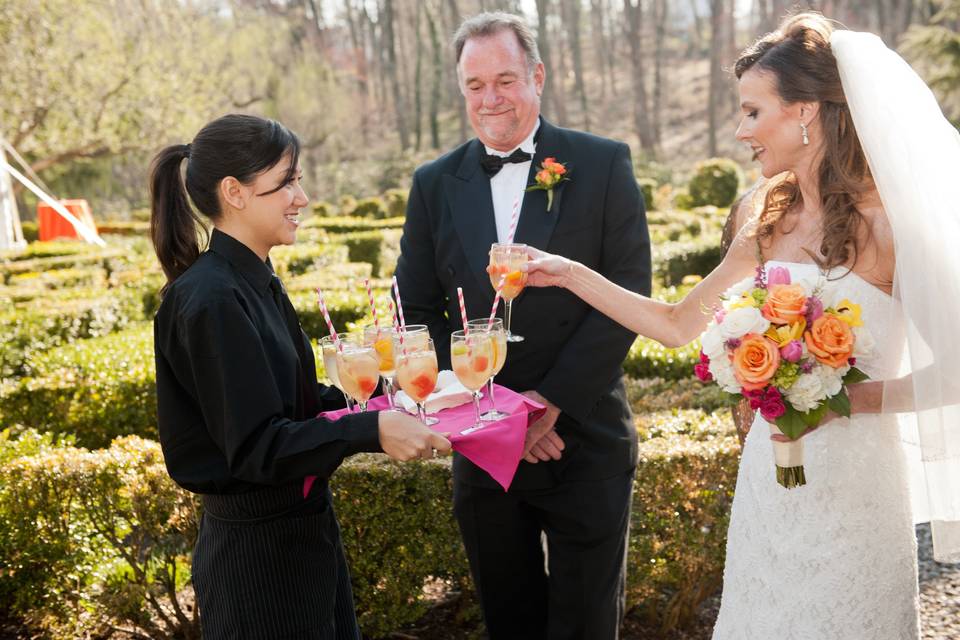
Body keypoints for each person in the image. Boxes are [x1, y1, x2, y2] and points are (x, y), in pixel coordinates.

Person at [523, 12, 960, 639]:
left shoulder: (888, 225)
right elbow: (676, 324)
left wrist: (844, 401)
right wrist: (568, 273)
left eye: (754, 112)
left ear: (806, 110)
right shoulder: (766, 220)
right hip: (768, 485)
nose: (740, 130)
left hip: (856, 491)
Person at [393, 12, 650, 639]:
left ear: (536, 76)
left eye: (504, 80)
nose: (490, 99)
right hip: (482, 449)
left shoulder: (602, 163)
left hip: (584, 438)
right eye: (475, 85)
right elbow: (417, 313)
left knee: (587, 625)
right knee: (510, 623)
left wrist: (550, 405)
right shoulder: (432, 184)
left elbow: (628, 296)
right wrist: (504, 420)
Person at [150, 113, 451, 639]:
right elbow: (257, 446)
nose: (301, 197)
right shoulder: (212, 298)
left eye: (298, 179)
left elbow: (291, 400)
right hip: (257, 564)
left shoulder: (253, 278)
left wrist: (379, 395)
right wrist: (371, 430)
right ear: (234, 192)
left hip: (300, 538)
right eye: (286, 181)